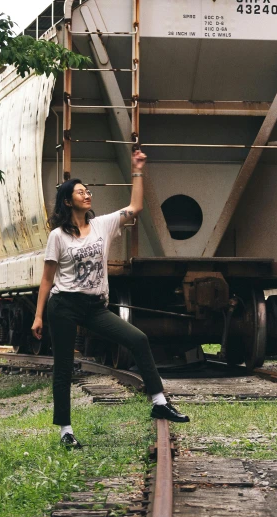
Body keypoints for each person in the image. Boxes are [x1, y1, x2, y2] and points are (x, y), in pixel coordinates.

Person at [32, 149, 189, 449]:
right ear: (68, 201)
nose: (87, 195)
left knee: (138, 339)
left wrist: (138, 169)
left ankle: (159, 401)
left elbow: (135, 207)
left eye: (87, 191)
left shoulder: (102, 225)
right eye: (80, 192)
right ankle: (65, 430)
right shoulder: (58, 237)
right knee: (64, 367)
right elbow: (47, 278)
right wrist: (38, 316)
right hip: (63, 306)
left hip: (94, 307)